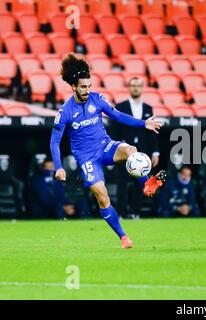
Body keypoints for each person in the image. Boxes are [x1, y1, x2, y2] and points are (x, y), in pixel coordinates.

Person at [50, 53, 166, 249]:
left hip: (105, 147)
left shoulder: (97, 99)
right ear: (73, 87)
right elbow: (54, 141)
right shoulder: (65, 112)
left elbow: (118, 115)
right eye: (83, 87)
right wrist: (59, 167)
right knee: (102, 196)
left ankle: (146, 185)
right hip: (87, 158)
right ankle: (123, 237)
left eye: (89, 86)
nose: (87, 90)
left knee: (131, 150)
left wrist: (143, 123)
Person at [111, 77, 160, 218]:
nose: (136, 88)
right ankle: (121, 213)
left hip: (142, 152)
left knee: (140, 183)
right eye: (133, 85)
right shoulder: (121, 106)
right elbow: (115, 130)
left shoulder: (148, 108)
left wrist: (155, 152)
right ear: (129, 87)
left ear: (142, 87)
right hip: (124, 151)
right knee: (122, 182)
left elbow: (152, 132)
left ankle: (135, 212)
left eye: (138, 85)